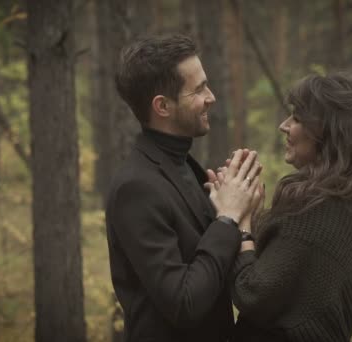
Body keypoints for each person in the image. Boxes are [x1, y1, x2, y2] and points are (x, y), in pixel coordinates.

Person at [105, 34, 261, 342]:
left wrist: (242, 215)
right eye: (199, 88)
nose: (211, 97)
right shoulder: (135, 188)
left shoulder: (186, 166)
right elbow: (184, 303)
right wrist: (227, 219)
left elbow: (215, 273)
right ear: (162, 106)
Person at [207, 73, 352, 342]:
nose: (284, 126)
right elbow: (292, 286)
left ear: (327, 132)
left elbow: (253, 292)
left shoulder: (313, 209)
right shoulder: (346, 205)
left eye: (298, 118)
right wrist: (251, 211)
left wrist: (236, 220)